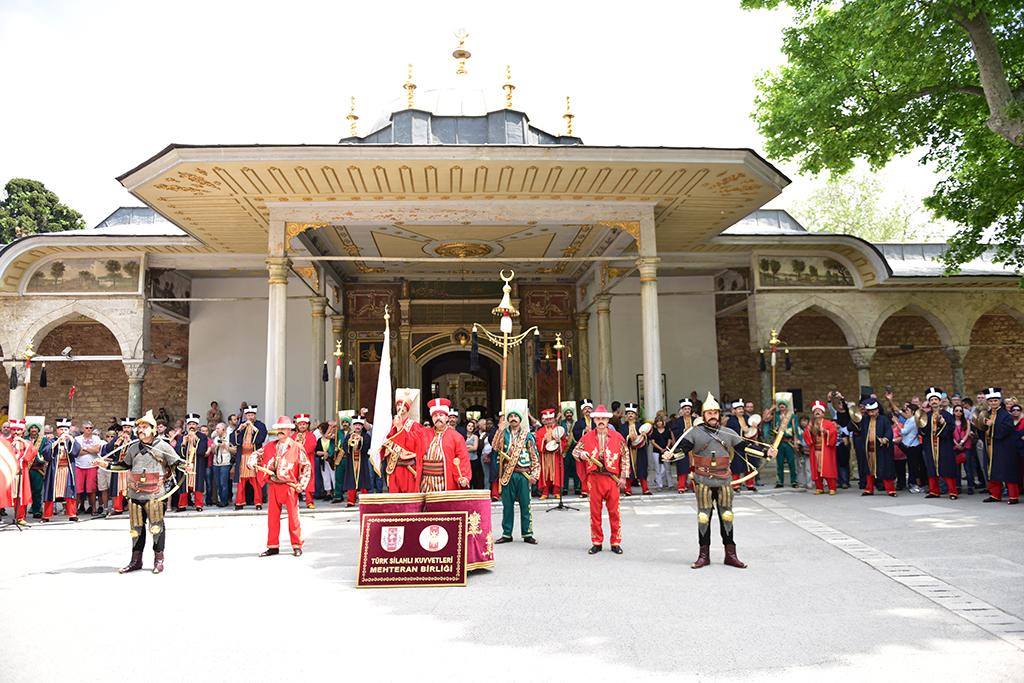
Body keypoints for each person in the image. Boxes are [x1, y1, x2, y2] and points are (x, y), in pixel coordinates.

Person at [664, 393, 778, 569]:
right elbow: (682, 450)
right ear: (703, 415)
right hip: (703, 481)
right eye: (709, 413)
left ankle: (730, 555)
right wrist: (671, 455)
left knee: (727, 516)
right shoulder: (695, 433)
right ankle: (703, 556)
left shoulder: (729, 433)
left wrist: (765, 453)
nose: (712, 416)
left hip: (723, 480)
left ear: (719, 414)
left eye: (715, 413)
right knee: (703, 518)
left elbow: (745, 447)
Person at [96, 411, 187, 574]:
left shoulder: (164, 446)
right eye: (139, 427)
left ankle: (159, 560)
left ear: (153, 429)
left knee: (156, 528)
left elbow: (177, 463)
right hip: (135, 493)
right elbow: (124, 465)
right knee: (136, 529)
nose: (141, 430)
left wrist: (186, 466)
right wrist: (106, 465)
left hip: (156, 495)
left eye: (145, 427)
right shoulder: (132, 447)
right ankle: (135, 561)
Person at [572, 404, 630, 555]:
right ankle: (596, 542)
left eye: (603, 418)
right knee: (595, 512)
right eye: (598, 418)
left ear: (608, 419)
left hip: (612, 479)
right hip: (594, 478)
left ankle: (615, 542)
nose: (601, 421)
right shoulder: (587, 437)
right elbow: (575, 451)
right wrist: (582, 455)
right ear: (594, 420)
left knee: (614, 512)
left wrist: (623, 477)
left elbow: (625, 456)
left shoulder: (617, 437)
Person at [253, 416, 312, 557]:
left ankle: (297, 545)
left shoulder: (297, 447)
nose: (280, 431)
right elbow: (256, 454)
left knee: (293, 517)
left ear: (290, 430)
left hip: (289, 486)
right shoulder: (270, 446)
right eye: (279, 428)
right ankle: (273, 546)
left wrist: (301, 484)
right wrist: (252, 460)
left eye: (283, 429)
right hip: (273, 485)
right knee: (272, 518)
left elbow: (306, 467)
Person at [492, 406, 540, 544]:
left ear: (520, 419)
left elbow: (534, 455)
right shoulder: (503, 433)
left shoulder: (527, 435)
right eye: (510, 417)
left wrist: (535, 474)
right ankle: (507, 533)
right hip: (508, 473)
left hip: (523, 474)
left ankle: (527, 533)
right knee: (507, 505)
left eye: (516, 416)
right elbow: (495, 447)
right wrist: (499, 430)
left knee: (526, 505)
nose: (513, 419)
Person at [835, 394, 896, 496]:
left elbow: (889, 431)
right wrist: (852, 414)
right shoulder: (864, 420)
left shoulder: (884, 419)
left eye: (873, 411)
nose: (871, 413)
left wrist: (885, 439)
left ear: (877, 410)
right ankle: (869, 489)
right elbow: (854, 423)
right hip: (868, 449)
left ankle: (890, 490)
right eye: (870, 411)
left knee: (884, 469)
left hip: (880, 449)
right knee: (869, 469)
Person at [417, 398, 470, 493]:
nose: (438, 418)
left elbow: (462, 459)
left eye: (441, 415)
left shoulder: (456, 437)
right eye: (435, 416)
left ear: (447, 418)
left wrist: (463, 477)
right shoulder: (424, 434)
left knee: (443, 507)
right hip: (425, 482)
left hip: (445, 481)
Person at [382, 388, 428, 494]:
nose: (400, 407)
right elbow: (387, 441)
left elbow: (415, 444)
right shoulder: (391, 425)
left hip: (409, 468)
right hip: (393, 466)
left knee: (409, 498)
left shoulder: (415, 425)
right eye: (398, 405)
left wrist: (400, 429)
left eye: (402, 405)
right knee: (395, 499)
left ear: (408, 409)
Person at [979, 388, 1019, 504]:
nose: (993, 403)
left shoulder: (1006, 415)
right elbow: (982, 430)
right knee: (992, 470)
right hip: (990, 446)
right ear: (988, 402)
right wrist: (980, 425)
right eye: (991, 401)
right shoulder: (986, 414)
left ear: (999, 401)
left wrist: (992, 425)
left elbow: (1006, 430)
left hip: (1004, 447)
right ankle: (995, 495)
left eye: (995, 401)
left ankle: (1013, 496)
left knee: (1008, 471)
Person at [918, 386, 958, 499]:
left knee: (947, 468)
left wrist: (942, 423)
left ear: (940, 401)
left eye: (935, 399)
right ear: (929, 402)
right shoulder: (926, 416)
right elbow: (923, 432)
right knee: (931, 468)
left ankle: (952, 492)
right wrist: (920, 426)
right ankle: (934, 491)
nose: (934, 401)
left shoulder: (947, 415)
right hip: (929, 446)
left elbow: (951, 429)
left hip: (944, 445)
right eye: (931, 400)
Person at [40, 419, 80, 522]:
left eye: (65, 429)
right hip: (55, 471)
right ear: (57, 431)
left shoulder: (71, 440)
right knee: (50, 492)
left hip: (67, 470)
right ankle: (46, 516)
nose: (63, 431)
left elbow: (76, 452)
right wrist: (58, 441)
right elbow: (46, 453)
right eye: (61, 429)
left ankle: (72, 514)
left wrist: (71, 439)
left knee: (70, 492)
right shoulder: (52, 441)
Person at [232, 406, 267, 510]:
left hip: (254, 457)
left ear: (255, 415)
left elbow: (261, 438)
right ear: (245, 416)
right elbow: (233, 440)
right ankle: (239, 502)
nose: (250, 417)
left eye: (252, 415)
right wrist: (239, 429)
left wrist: (253, 428)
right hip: (242, 457)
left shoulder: (260, 425)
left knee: (255, 482)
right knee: (241, 482)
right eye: (248, 415)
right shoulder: (241, 425)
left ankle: (258, 503)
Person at [173, 414, 209, 511]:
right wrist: (184, 443)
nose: (191, 426)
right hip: (185, 464)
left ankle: (199, 505)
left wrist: (195, 441)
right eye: (189, 424)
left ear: (197, 425)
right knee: (183, 484)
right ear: (187, 425)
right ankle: (182, 505)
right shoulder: (182, 437)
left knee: (198, 484)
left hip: (198, 464)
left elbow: (202, 451)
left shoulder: (202, 437)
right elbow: (178, 453)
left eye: (193, 424)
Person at [802, 401, 838, 495]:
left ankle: (832, 487)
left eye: (819, 411)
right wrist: (808, 431)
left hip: (826, 450)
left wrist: (826, 432)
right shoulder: (811, 424)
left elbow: (834, 433)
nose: (817, 412)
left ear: (823, 413)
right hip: (815, 450)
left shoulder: (828, 423)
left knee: (828, 468)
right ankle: (819, 487)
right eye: (815, 411)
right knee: (816, 470)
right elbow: (806, 435)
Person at [102, 418, 135, 515]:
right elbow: (108, 449)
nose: (126, 429)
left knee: (131, 488)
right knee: (117, 488)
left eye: (128, 427)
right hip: (118, 466)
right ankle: (117, 508)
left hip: (130, 467)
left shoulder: (136, 438)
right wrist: (116, 439)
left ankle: (132, 508)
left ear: (131, 428)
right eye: (124, 427)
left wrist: (130, 441)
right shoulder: (118, 438)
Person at [6, 419, 36, 526]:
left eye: (19, 430)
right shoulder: (6, 441)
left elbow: (32, 453)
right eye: (14, 430)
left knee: (20, 495)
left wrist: (23, 442)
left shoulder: (26, 443)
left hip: (21, 472)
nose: (16, 432)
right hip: (8, 473)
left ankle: (20, 517)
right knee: (5, 494)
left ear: (22, 432)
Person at [618, 402, 651, 495]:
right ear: (626, 415)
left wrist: (644, 436)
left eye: (632, 413)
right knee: (628, 470)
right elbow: (620, 438)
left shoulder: (640, 426)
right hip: (628, 451)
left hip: (640, 451)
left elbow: (647, 438)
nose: (630, 415)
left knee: (642, 469)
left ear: (636, 415)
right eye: (628, 413)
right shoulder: (623, 426)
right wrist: (628, 437)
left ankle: (645, 489)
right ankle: (628, 490)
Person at [339, 417, 372, 506]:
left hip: (362, 461)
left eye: (359, 425)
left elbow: (366, 447)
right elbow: (345, 447)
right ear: (353, 426)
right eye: (356, 425)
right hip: (351, 461)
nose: (358, 427)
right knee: (351, 480)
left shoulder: (366, 436)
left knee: (363, 480)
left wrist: (360, 441)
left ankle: (365, 500)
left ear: (362, 426)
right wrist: (350, 443)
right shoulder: (349, 436)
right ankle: (351, 500)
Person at [726, 400, 758, 492]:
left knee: (750, 465)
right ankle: (736, 485)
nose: (741, 410)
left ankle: (750, 484)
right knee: (737, 466)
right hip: (736, 446)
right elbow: (729, 433)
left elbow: (753, 431)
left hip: (748, 445)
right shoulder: (731, 420)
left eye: (741, 408)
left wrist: (754, 428)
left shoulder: (748, 418)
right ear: (734, 410)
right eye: (739, 409)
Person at [535, 409, 566, 499]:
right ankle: (545, 492)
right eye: (547, 420)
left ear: (553, 419)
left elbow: (564, 441)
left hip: (555, 456)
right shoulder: (540, 431)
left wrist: (559, 442)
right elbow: (537, 442)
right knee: (545, 474)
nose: (549, 421)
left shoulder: (558, 429)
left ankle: (556, 492)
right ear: (543, 420)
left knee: (556, 473)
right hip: (544, 456)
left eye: (550, 419)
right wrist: (544, 440)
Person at [767, 402, 799, 488]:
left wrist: (796, 441)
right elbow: (767, 420)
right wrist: (771, 410)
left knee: (791, 462)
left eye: (783, 404)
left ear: (786, 406)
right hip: (778, 442)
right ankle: (779, 481)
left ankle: (794, 481)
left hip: (788, 442)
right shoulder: (775, 416)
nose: (781, 406)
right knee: (779, 463)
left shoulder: (792, 416)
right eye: (780, 405)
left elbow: (795, 429)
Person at [74, 421, 104, 515]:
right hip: (79, 466)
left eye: (90, 428)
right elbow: (77, 452)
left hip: (92, 465)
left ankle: (94, 509)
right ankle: (74, 510)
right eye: (86, 428)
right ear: (83, 429)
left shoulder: (96, 438)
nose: (89, 430)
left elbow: (97, 450)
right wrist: (90, 449)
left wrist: (84, 449)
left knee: (92, 489)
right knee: (78, 490)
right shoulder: (77, 439)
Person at [668, 399, 696, 493]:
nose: (687, 410)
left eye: (688, 409)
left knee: (695, 467)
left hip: (695, 447)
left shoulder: (695, 420)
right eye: (685, 409)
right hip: (682, 447)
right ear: (682, 410)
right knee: (682, 467)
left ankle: (694, 485)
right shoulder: (677, 421)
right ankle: (681, 486)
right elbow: (674, 433)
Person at [570, 399, 596, 498]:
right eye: (585, 409)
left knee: (594, 470)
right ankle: (584, 490)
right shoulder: (578, 423)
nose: (587, 410)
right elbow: (575, 434)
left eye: (589, 408)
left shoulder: (596, 421)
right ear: (582, 411)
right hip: (583, 449)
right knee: (583, 470)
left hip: (594, 449)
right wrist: (584, 431)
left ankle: (594, 490)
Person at [293, 414, 318, 509]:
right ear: (297, 425)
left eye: (304, 424)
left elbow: (311, 447)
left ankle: (309, 501)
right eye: (300, 424)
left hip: (308, 460)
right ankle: (294, 501)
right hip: (296, 461)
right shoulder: (293, 436)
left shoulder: (311, 435)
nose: (302, 426)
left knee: (309, 480)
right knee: (295, 480)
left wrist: (300, 447)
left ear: (307, 425)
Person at [952, 405, 975, 494]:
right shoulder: (951, 422)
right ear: (953, 412)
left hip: (966, 446)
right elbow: (950, 434)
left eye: (960, 411)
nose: (958, 412)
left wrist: (961, 442)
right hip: (954, 447)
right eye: (956, 410)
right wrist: (956, 443)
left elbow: (967, 432)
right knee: (956, 469)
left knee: (968, 468)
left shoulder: (967, 422)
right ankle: (958, 486)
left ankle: (970, 486)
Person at [210, 422, 234, 507]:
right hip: (216, 463)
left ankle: (224, 501)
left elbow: (234, 450)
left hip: (225, 463)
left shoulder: (229, 437)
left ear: (223, 429)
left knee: (224, 483)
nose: (216, 430)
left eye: (218, 428)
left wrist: (225, 446)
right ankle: (221, 499)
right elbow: (213, 452)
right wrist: (213, 448)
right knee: (218, 483)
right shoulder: (216, 438)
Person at [26, 421, 46, 519]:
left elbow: (46, 451)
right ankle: (21, 512)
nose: (33, 430)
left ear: (38, 430)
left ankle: (37, 510)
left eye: (35, 428)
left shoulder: (43, 440)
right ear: (29, 430)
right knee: (24, 491)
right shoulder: (24, 439)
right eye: (32, 428)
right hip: (26, 468)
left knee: (37, 490)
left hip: (37, 469)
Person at [649, 415, 675, 491]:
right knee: (657, 469)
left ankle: (670, 484)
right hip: (656, 451)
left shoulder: (667, 430)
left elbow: (669, 439)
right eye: (657, 421)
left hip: (666, 450)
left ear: (663, 422)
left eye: (660, 421)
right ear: (656, 423)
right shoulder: (654, 431)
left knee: (667, 468)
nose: (659, 423)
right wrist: (660, 449)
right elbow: (652, 442)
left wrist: (666, 447)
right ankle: (659, 485)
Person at [315, 422, 338, 501]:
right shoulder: (319, 440)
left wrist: (328, 454)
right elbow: (316, 451)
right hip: (323, 461)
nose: (319, 431)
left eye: (321, 429)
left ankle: (336, 492)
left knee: (333, 476)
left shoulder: (331, 438)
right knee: (325, 477)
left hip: (332, 460)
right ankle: (328, 493)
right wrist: (323, 453)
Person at [465, 419, 484, 489]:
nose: (470, 427)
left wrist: (466, 448)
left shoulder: (475, 437)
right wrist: (470, 447)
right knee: (467, 476)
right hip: (466, 460)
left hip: (474, 459)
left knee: (474, 477)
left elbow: (475, 448)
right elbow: (461, 448)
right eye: (469, 425)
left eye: (472, 426)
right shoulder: (463, 436)